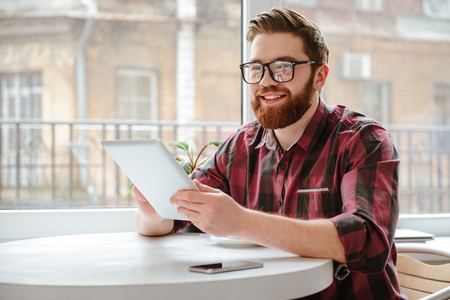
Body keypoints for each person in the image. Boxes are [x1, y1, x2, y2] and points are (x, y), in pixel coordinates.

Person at [134, 7, 406, 299]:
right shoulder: (241, 146)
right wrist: (154, 213)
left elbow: (367, 241)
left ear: (319, 76)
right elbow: (170, 220)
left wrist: (241, 222)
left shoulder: (363, 140)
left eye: (283, 67)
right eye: (256, 68)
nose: (265, 81)